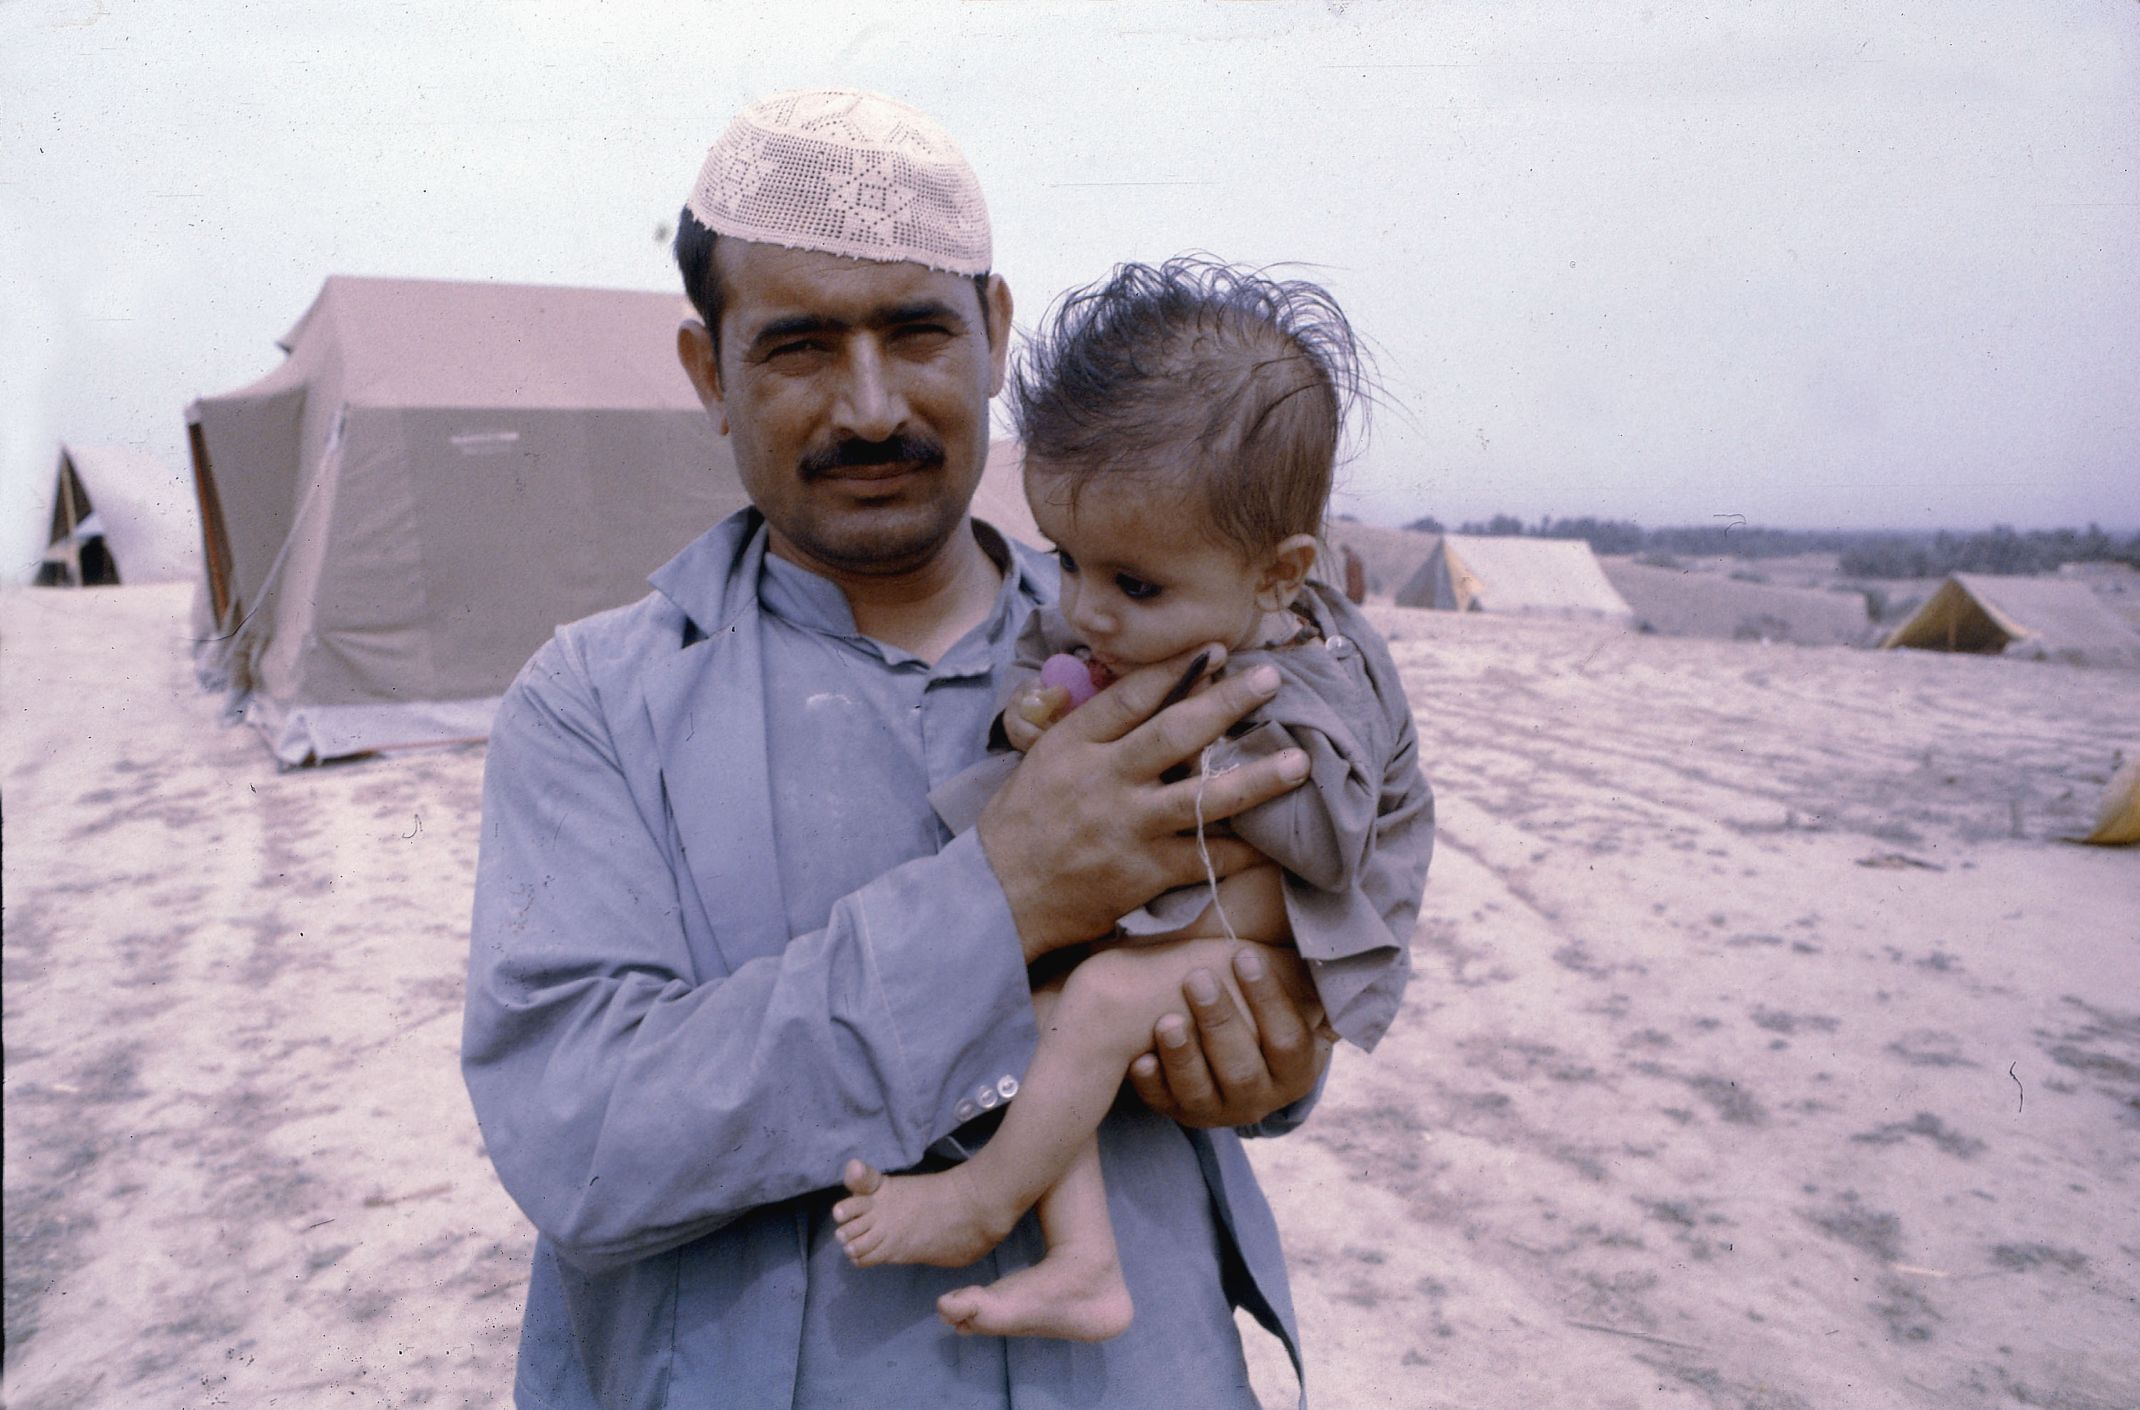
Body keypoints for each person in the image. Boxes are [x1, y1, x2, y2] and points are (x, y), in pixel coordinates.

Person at [461, 90, 1407, 1409]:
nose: (868, 406)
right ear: (706, 371)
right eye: (797, 345)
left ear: (994, 334)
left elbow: (1296, 963)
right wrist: (1000, 899)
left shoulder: (1186, 646)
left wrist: (1273, 1052)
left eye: (915, 332)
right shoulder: (594, 703)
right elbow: (584, 1139)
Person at [830, 259, 1433, 1343]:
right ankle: (1085, 1263)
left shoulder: (1308, 677)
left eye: (1132, 586)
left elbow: (1330, 847)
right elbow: (1050, 656)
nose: (1084, 610)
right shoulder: (1159, 611)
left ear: (1278, 573)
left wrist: (1185, 776)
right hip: (1201, 902)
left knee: (1101, 998)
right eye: (1067, 562)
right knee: (1057, 1010)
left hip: (1308, 922)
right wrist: (1032, 711)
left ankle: (983, 1199)